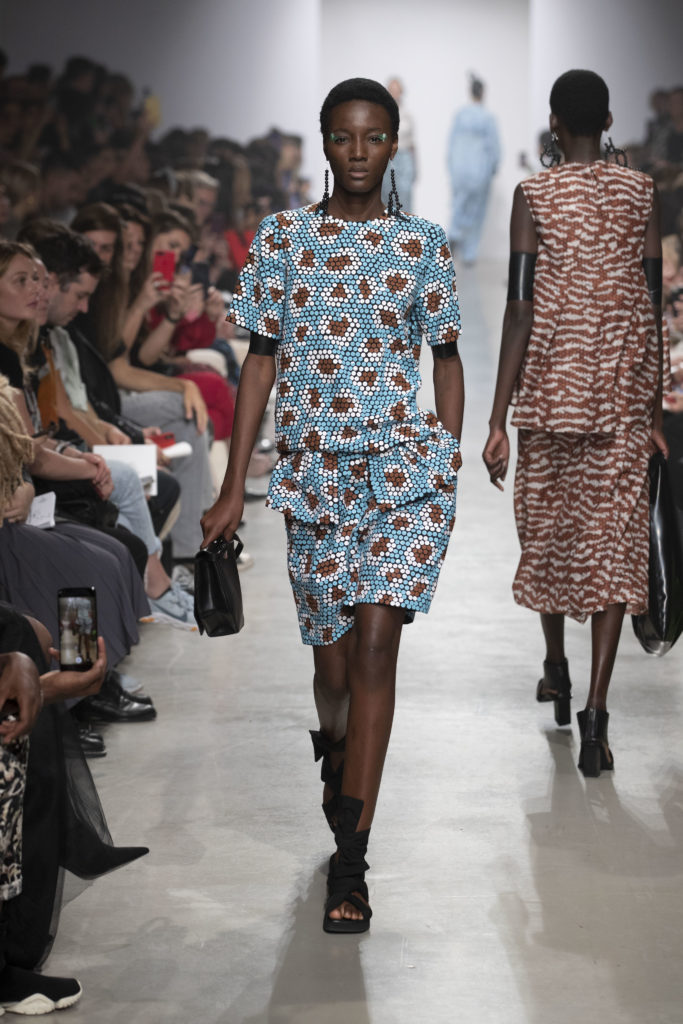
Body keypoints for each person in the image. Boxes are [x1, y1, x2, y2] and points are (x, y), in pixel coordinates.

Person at [201, 78, 464, 932]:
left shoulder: (421, 243)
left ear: (393, 143)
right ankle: (336, 747)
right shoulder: (282, 238)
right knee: (333, 666)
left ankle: (351, 863)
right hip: (314, 475)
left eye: (373, 137)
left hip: (401, 474)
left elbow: (446, 357)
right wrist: (232, 487)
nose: (357, 152)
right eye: (344, 137)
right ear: (323, 141)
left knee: (378, 649)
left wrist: (446, 458)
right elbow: (258, 361)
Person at [482, 69, 668, 777]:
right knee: (613, 543)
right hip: (621, 389)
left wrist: (497, 417)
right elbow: (651, 300)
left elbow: (519, 306)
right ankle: (595, 712)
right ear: (609, 120)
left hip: (551, 390)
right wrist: (654, 409)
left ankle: (555, 666)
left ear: (555, 123)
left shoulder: (533, 194)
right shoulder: (642, 193)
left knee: (551, 531)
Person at [447, 74, 500, 265]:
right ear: (483, 93)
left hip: (459, 168)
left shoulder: (460, 115)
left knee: (458, 205)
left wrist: (451, 166)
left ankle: (453, 235)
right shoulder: (487, 117)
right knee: (476, 211)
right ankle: (469, 253)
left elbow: (451, 144)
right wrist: (494, 166)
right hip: (480, 169)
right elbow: (494, 146)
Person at [381, 78, 417, 213]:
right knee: (386, 195)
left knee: (405, 195)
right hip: (387, 158)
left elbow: (412, 143)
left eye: (396, 90)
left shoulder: (407, 115)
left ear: (401, 92)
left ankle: (405, 225)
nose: (394, 93)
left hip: (404, 157)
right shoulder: (381, 114)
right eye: (391, 90)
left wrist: (416, 167)